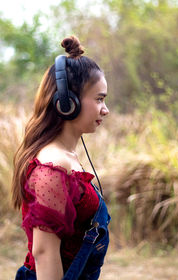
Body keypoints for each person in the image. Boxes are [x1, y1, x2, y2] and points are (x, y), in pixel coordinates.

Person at [12, 35, 110, 280]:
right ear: (67, 103)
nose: (105, 110)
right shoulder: (52, 168)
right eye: (99, 99)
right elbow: (45, 252)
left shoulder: (67, 158)